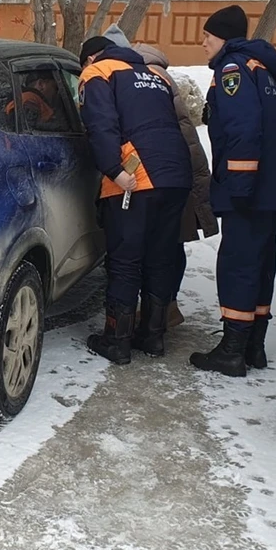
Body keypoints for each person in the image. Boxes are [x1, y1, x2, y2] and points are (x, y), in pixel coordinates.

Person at [187, 5, 276, 378]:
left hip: (249, 188)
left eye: (207, 37)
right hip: (273, 187)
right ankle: (254, 346)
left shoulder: (233, 69)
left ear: (225, 39)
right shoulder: (265, 70)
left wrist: (240, 184)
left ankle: (232, 352)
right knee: (261, 262)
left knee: (237, 264)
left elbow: (242, 129)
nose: (202, 43)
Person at [78, 34, 193, 364]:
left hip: (136, 178)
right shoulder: (155, 75)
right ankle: (153, 337)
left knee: (125, 260)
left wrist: (114, 170)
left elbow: (101, 125)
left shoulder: (97, 73)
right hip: (176, 175)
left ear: (89, 58)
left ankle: (117, 341)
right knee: (160, 256)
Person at [102, 25, 219, 329]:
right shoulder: (157, 75)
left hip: (157, 171)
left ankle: (161, 311)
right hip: (180, 169)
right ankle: (162, 313)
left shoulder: (134, 77)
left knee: (152, 248)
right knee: (168, 245)